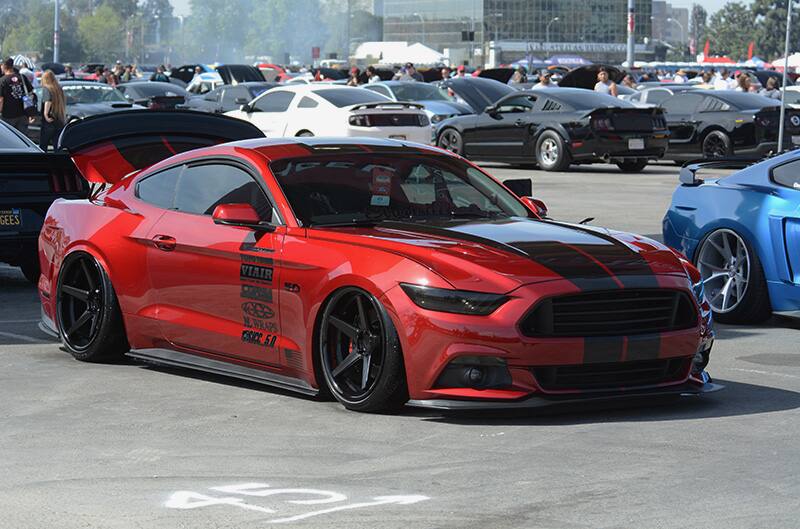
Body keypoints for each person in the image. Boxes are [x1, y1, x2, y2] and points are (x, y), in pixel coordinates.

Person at [0, 58, 31, 134]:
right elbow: (29, 94)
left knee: (9, 140)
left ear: (4, 66)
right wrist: (30, 112)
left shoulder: (2, 80)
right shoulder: (22, 77)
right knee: (22, 140)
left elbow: (1, 100)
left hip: (8, 115)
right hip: (23, 114)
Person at [38, 70, 66, 151]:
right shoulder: (59, 89)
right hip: (59, 119)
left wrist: (46, 114)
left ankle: (44, 162)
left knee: (43, 145)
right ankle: (57, 162)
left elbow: (48, 101)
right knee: (57, 145)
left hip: (49, 121)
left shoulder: (47, 89)